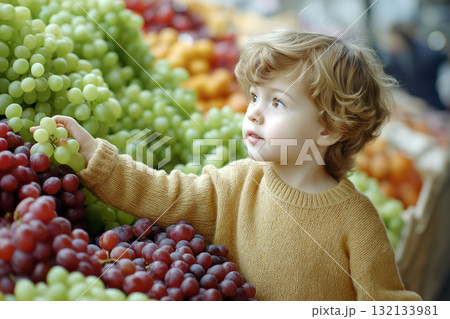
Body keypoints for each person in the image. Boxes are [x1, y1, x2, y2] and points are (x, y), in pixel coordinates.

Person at [33, 29, 422, 301]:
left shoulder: (357, 221)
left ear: (328, 128)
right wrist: (95, 157)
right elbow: (166, 193)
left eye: (277, 103)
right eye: (254, 96)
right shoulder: (238, 183)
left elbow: (387, 303)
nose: (253, 113)